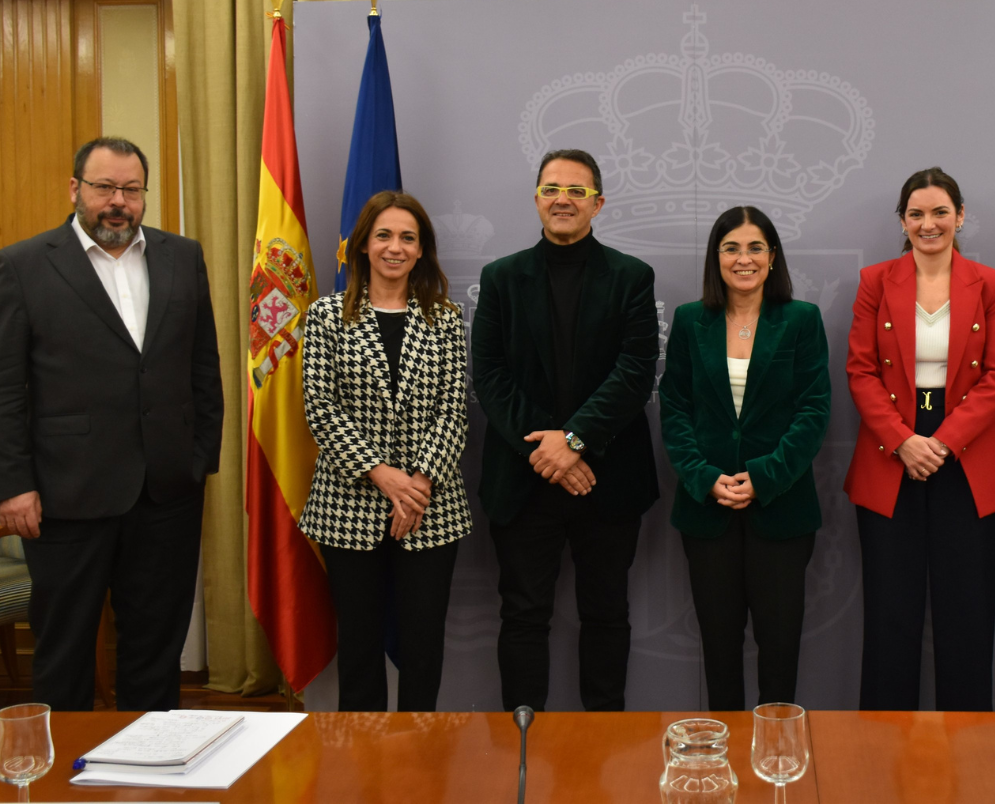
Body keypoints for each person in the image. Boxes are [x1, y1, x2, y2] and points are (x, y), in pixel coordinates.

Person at [0, 137, 223, 711]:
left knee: (155, 648)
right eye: (104, 187)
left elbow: (202, 366)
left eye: (131, 190)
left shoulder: (181, 256)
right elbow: (0, 387)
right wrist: (12, 485)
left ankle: (150, 778)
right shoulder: (25, 264)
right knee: (64, 651)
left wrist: (198, 459)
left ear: (143, 195)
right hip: (66, 496)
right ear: (75, 190)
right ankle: (61, 785)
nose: (118, 201)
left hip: (167, 494)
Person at [470, 148, 659, 711]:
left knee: (607, 614)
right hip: (525, 480)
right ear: (536, 201)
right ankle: (523, 747)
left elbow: (635, 371)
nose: (563, 200)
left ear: (598, 204)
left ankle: (602, 747)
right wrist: (550, 451)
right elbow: (491, 375)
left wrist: (573, 442)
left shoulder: (632, 277)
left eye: (577, 191)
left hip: (608, 476)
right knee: (523, 615)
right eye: (553, 189)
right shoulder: (500, 278)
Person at [844, 166, 995, 711]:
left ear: (960, 216)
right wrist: (903, 440)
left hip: (965, 455)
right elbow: (860, 371)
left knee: (966, 613)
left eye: (940, 212)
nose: (929, 224)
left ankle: (970, 749)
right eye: (917, 214)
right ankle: (880, 746)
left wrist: (942, 441)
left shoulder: (988, 282)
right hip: (890, 452)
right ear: (902, 221)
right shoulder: (875, 280)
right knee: (890, 614)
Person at [298, 191, 470, 712]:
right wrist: (382, 475)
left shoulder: (447, 318)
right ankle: (362, 765)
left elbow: (455, 411)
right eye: (384, 236)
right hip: (348, 504)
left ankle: (420, 759)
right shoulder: (326, 316)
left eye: (407, 238)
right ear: (362, 246)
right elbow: (319, 408)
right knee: (359, 645)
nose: (395, 247)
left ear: (422, 251)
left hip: (430, 506)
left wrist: (418, 483)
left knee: (423, 648)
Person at [658, 207, 831, 711]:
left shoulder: (801, 319)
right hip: (707, 511)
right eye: (731, 248)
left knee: (780, 649)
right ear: (716, 258)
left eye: (756, 247)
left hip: (781, 511)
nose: (744, 258)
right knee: (718, 650)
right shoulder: (692, 320)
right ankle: (726, 762)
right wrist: (705, 477)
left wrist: (762, 477)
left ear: (773, 257)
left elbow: (814, 409)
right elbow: (675, 409)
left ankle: (776, 760)